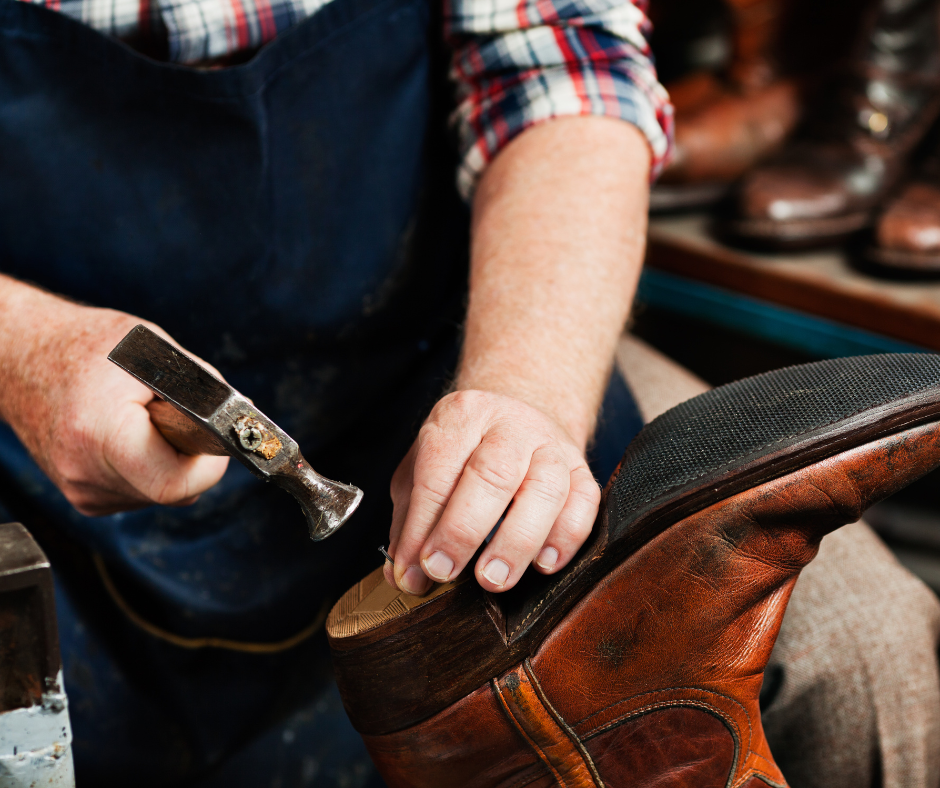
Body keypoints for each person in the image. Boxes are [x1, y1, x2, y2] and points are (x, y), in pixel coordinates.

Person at [0, 0, 669, 782]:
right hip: (31, 438)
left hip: (445, 364)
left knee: (837, 649)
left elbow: (565, 65)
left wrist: (531, 389)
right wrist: (22, 348)